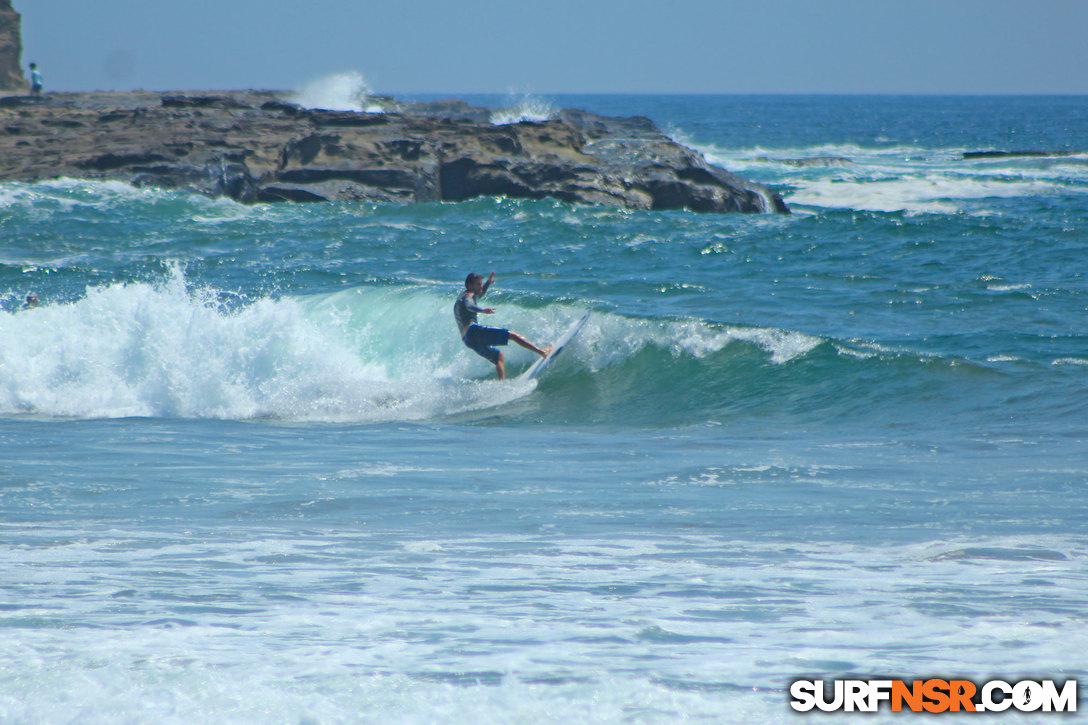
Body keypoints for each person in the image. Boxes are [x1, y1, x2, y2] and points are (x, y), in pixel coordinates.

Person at [454, 272, 552, 380]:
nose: (481, 286)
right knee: (512, 335)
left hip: (467, 339)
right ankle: (542, 352)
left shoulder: (463, 296)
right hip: (473, 331)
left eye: (481, 284)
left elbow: (480, 294)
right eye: (478, 284)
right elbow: (469, 305)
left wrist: (488, 283)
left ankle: (502, 387)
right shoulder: (468, 297)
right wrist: (482, 310)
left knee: (498, 357)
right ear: (469, 286)